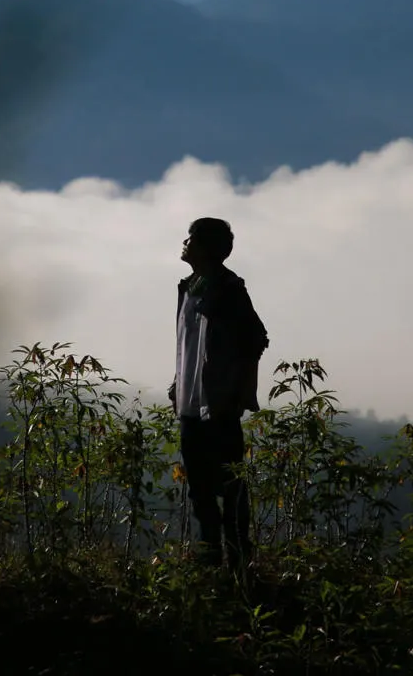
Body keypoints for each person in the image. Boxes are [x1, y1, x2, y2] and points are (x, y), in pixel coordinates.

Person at [167, 217, 269, 574]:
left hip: (219, 408)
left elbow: (256, 338)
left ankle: (239, 563)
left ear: (207, 248)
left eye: (191, 238)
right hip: (190, 406)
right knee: (200, 490)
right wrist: (179, 380)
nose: (185, 242)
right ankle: (210, 563)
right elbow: (191, 344)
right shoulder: (189, 287)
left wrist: (232, 388)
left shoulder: (228, 289)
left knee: (230, 488)